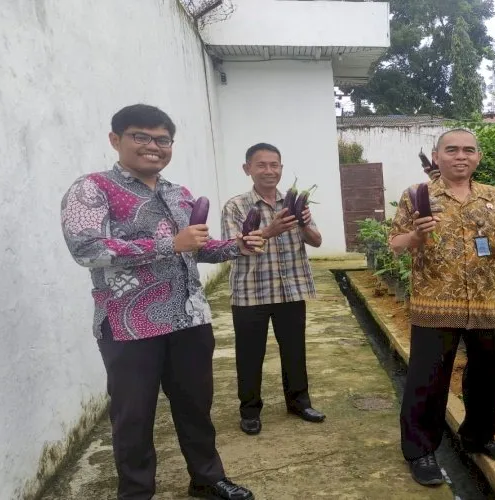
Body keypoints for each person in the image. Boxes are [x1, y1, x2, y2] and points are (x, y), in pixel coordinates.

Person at [60, 104, 260, 500]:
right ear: (115, 139)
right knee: (133, 417)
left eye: (163, 140)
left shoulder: (178, 193)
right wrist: (170, 243)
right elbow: (87, 249)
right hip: (129, 325)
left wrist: (237, 246)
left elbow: (196, 249)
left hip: (189, 320)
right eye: (141, 137)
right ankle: (136, 492)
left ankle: (206, 478)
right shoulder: (92, 188)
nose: (153, 146)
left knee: (196, 408)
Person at [390, 129, 495, 486]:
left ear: (478, 157)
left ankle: (479, 437)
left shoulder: (492, 196)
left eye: (468, 150)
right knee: (428, 380)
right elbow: (395, 243)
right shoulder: (417, 195)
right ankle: (420, 450)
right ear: (437, 156)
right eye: (452, 149)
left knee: (485, 376)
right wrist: (416, 235)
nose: (461, 156)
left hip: (486, 303)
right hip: (434, 305)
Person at [221, 143, 325, 437]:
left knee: (295, 351)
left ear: (281, 168)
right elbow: (230, 248)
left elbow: (316, 240)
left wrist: (303, 224)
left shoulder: (294, 203)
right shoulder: (236, 206)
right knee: (249, 355)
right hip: (250, 293)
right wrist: (269, 231)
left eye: (274, 165)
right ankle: (250, 411)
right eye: (261, 165)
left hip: (291, 289)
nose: (269, 170)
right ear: (248, 169)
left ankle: (299, 403)